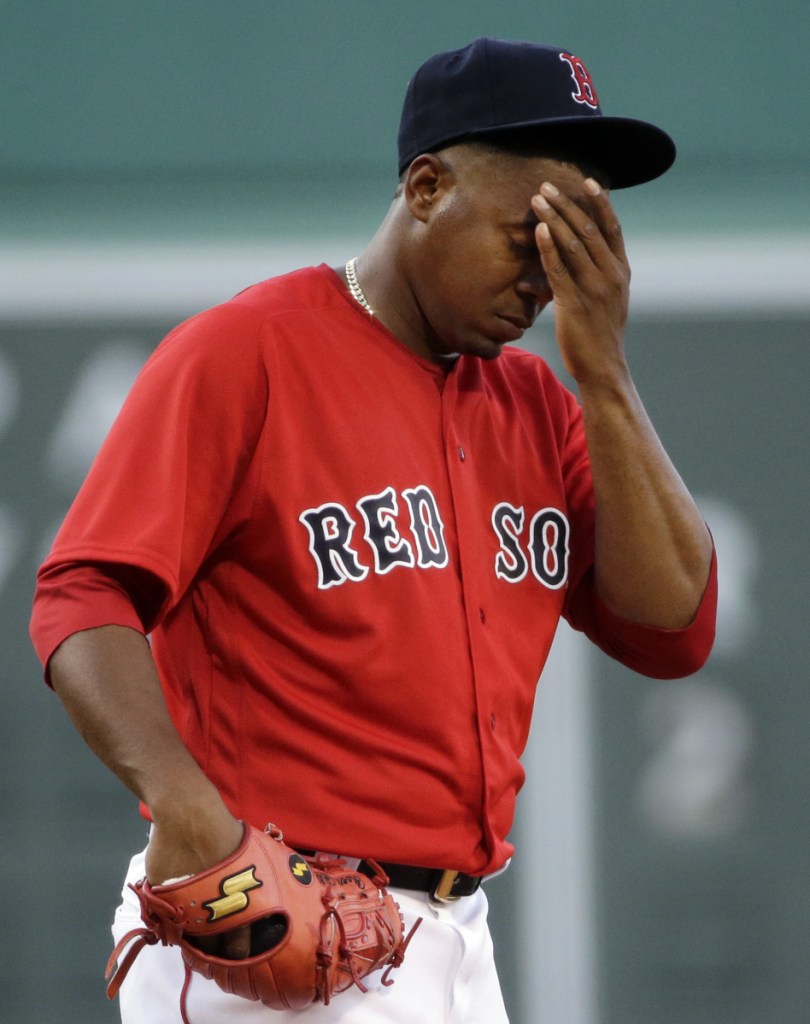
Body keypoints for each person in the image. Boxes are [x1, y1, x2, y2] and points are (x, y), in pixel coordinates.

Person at [30, 37, 717, 1024]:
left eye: (580, 251)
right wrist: (184, 806)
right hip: (270, 926)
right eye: (531, 239)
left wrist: (603, 371)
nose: (548, 280)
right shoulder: (248, 353)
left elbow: (673, 630)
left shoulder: (540, 405)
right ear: (429, 187)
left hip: (456, 941)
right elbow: (84, 593)